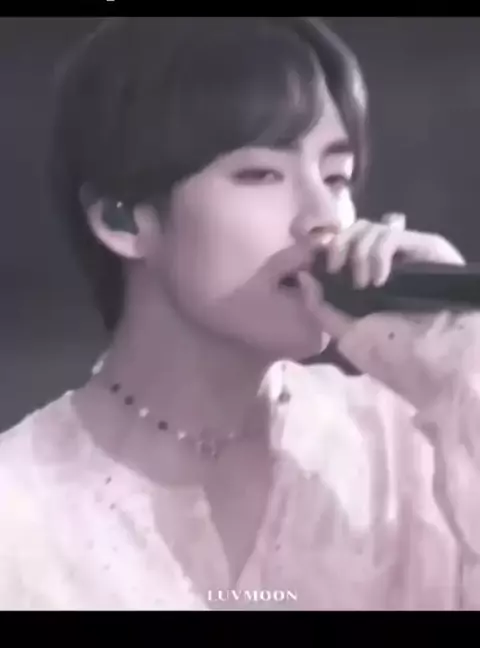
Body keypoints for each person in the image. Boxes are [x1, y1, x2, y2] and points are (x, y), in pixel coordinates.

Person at [0, 16, 478, 611]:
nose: (323, 218)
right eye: (261, 174)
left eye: (337, 177)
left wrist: (460, 367)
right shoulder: (19, 515)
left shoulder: (417, 442)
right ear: (122, 221)